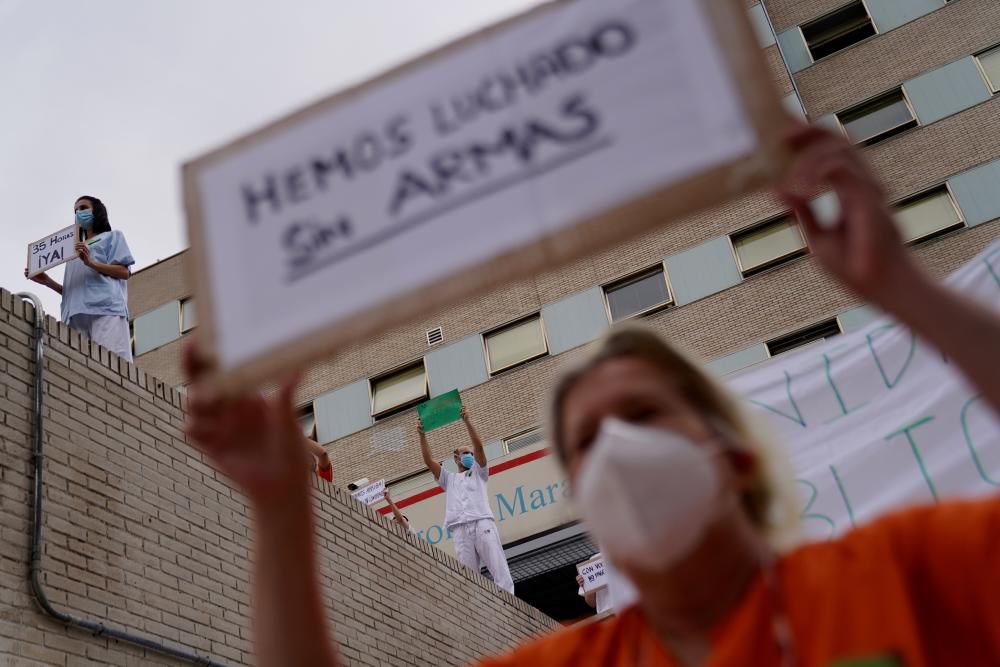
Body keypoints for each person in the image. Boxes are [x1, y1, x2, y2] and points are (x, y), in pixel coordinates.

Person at [183, 124, 1000, 666]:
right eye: (587, 442)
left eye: (642, 414)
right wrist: (282, 513)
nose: (616, 449)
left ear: (734, 450)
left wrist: (903, 288)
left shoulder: (903, 569)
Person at [417, 407, 514, 594]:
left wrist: (467, 421)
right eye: (465, 453)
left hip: (481, 522)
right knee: (469, 579)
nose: (470, 455)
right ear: (456, 458)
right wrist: (422, 435)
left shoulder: (479, 472)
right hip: (460, 529)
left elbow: (479, 447)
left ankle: (509, 601)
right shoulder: (448, 478)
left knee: (498, 566)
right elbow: (429, 461)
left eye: (470, 453)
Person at [25, 195, 135, 361]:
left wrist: (91, 263)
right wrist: (46, 280)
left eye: (83, 208)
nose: (78, 213)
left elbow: (124, 272)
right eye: (76, 210)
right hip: (75, 314)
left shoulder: (112, 237)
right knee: (79, 366)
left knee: (113, 363)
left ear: (97, 211)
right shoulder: (73, 251)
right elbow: (73, 291)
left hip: (106, 310)